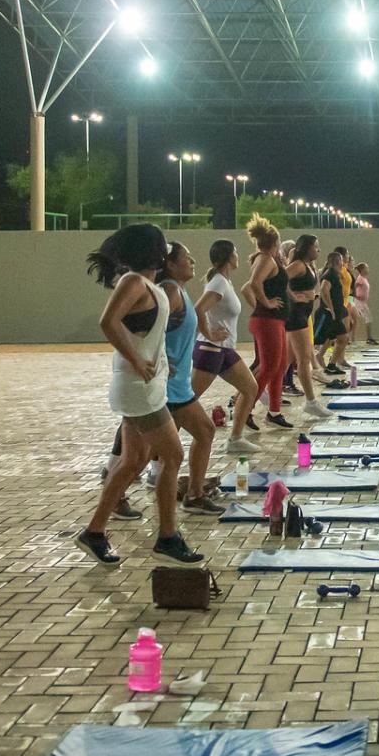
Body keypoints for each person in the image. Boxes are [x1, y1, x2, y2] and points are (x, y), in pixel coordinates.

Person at [77, 224, 206, 569]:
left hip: (146, 385)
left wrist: (164, 363)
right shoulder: (133, 282)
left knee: (133, 461)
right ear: (152, 251)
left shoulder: (150, 286)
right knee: (173, 454)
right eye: (163, 244)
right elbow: (108, 321)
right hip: (138, 389)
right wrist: (138, 360)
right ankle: (167, 536)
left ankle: (95, 531)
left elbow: (145, 334)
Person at [157, 242, 223, 515]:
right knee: (141, 456)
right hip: (168, 388)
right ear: (171, 265)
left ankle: (195, 494)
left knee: (205, 431)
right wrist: (157, 360)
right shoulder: (170, 292)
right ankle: (114, 500)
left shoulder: (179, 291)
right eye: (186, 257)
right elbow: (149, 330)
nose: (193, 260)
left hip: (180, 386)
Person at [192, 239, 260, 454]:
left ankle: (235, 439)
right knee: (186, 403)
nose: (238, 255)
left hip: (225, 350)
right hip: (211, 351)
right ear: (229, 257)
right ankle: (158, 450)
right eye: (236, 252)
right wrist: (208, 333)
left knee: (250, 388)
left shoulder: (224, 281)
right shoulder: (219, 282)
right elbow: (198, 309)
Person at [244, 217, 294, 429]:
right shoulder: (266, 259)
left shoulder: (266, 259)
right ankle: (244, 409)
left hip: (274, 320)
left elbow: (253, 285)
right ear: (275, 243)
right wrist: (266, 303)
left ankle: (274, 412)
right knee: (268, 367)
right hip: (267, 320)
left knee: (279, 366)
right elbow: (253, 284)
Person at [285, 234, 334, 419]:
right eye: (315, 246)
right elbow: (280, 279)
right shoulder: (297, 265)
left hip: (303, 314)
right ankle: (311, 402)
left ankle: (263, 391)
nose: (318, 250)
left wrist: (309, 295)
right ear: (306, 248)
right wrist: (293, 296)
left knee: (286, 360)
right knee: (304, 359)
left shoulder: (307, 266)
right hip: (296, 315)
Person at [351, 260, 376, 345]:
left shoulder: (364, 279)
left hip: (362, 302)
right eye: (366, 268)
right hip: (358, 301)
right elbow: (353, 287)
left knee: (368, 318)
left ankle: (369, 337)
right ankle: (351, 338)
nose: (368, 269)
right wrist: (353, 298)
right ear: (362, 270)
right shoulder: (360, 279)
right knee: (354, 319)